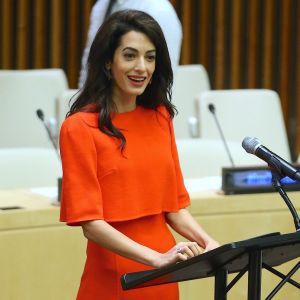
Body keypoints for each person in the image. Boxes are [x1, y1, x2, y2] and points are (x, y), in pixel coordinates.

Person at [60, 10, 219, 299]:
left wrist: (210, 243)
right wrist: (156, 259)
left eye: (150, 57)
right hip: (116, 276)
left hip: (166, 271)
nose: (141, 67)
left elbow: (174, 208)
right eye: (130, 55)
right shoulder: (79, 128)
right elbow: (91, 225)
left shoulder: (161, 118)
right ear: (108, 62)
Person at [78, 0, 182, 88]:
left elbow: (164, 79)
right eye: (130, 55)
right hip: (97, 103)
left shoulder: (159, 10)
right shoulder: (101, 5)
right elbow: (89, 62)